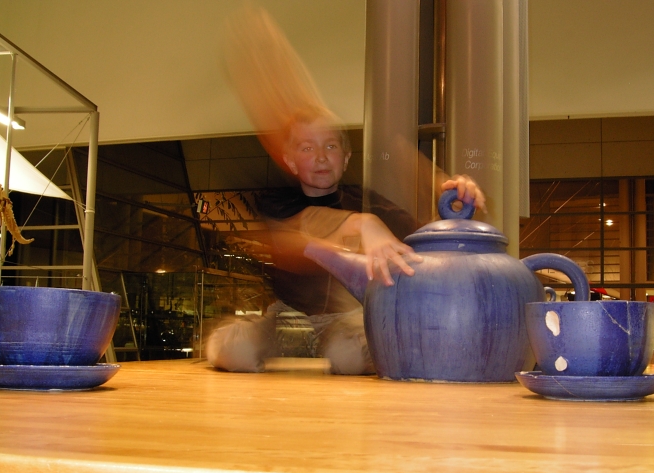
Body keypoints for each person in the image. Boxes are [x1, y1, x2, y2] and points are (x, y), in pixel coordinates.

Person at [207, 107, 485, 374]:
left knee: (349, 356)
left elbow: (424, 241)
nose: (321, 157)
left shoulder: (369, 203)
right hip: (286, 317)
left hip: (343, 321)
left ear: (346, 157)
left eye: (330, 146)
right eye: (307, 148)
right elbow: (295, 235)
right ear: (290, 161)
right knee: (235, 349)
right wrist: (361, 224)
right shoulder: (277, 203)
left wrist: (453, 205)